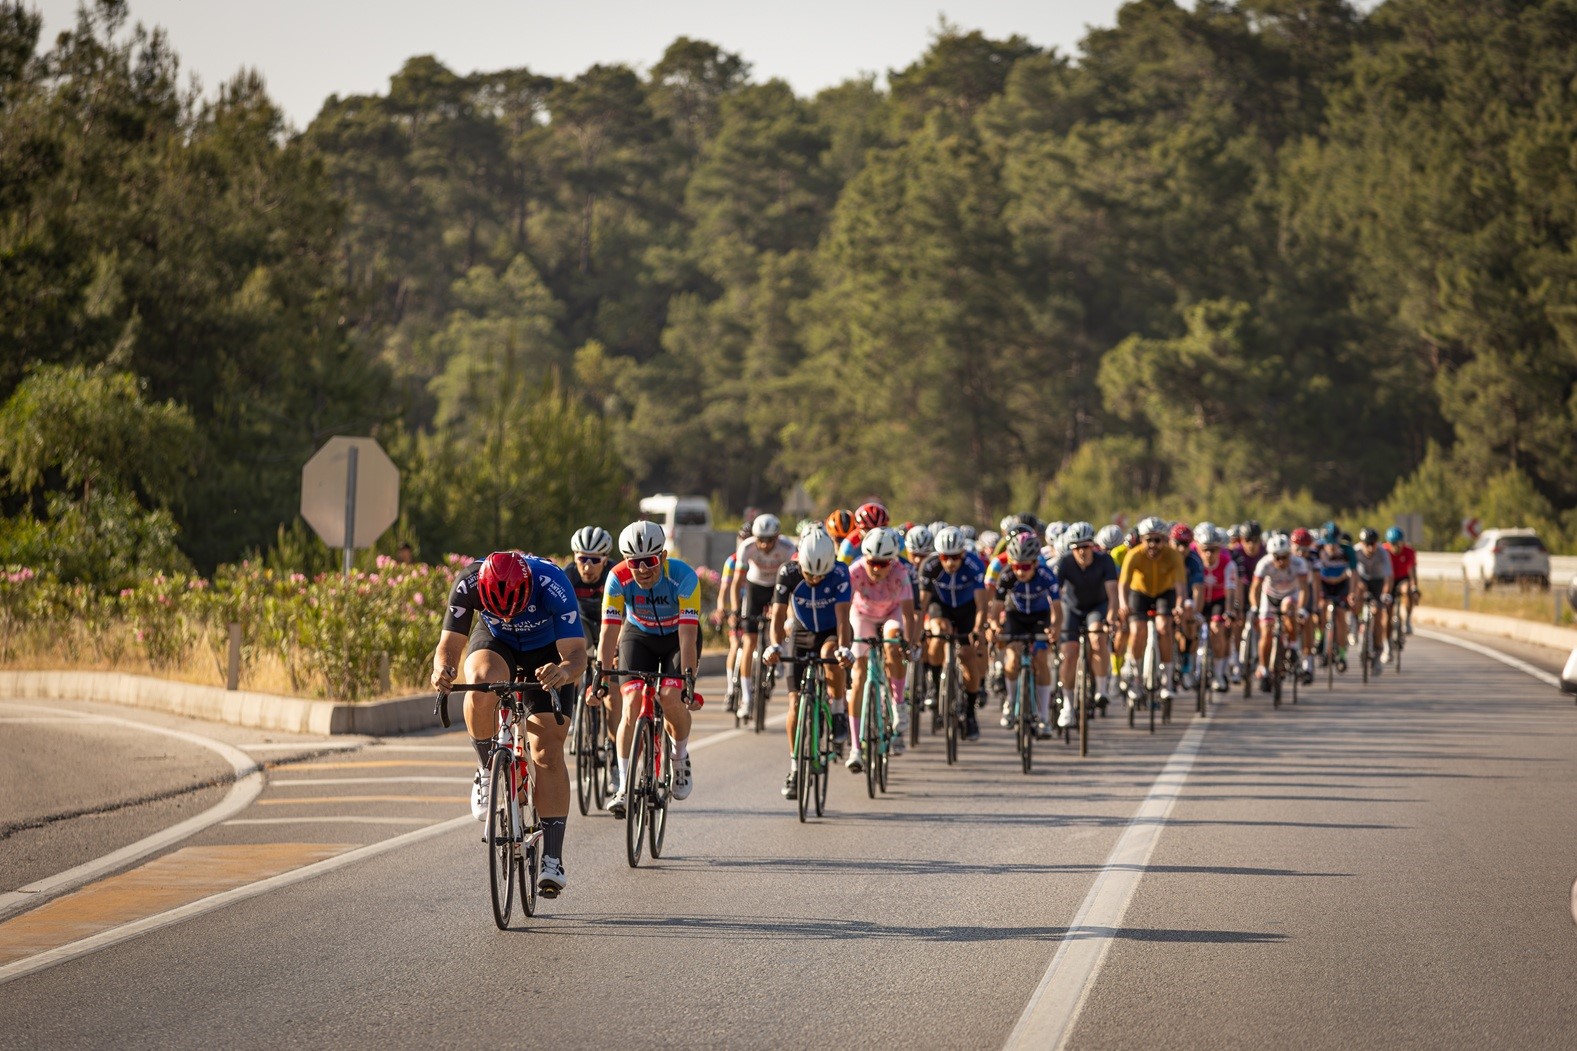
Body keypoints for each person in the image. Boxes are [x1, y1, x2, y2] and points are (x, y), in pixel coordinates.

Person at [432, 551, 586, 898]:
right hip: (496, 643)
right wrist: (442, 670)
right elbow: (448, 645)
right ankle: (486, 769)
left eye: (513, 608)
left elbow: (577, 654)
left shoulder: (553, 583)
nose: (507, 615)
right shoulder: (468, 582)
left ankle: (552, 857)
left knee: (547, 750)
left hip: (547, 651)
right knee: (481, 683)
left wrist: (563, 672)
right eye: (497, 608)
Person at [598, 521, 702, 817]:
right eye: (635, 563)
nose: (643, 570)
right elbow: (609, 632)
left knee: (670, 696)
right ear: (625, 561)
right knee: (630, 702)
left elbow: (688, 637)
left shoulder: (684, 577)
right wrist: (601, 677)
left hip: (677, 637)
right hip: (638, 635)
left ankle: (679, 756)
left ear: (663, 556)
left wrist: (688, 682)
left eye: (650, 561)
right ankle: (623, 785)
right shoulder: (617, 578)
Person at [763, 529, 854, 798]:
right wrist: (775, 645)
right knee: (794, 703)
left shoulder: (840, 572)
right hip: (801, 633)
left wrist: (844, 649)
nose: (814, 580)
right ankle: (794, 768)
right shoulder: (788, 572)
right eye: (809, 574)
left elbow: (843, 617)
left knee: (830, 654)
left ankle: (837, 711)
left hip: (831, 632)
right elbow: (778, 616)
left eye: (820, 575)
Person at [845, 527, 917, 770]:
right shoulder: (855, 571)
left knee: (893, 646)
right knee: (858, 677)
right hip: (862, 615)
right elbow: (843, 609)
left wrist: (909, 643)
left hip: (890, 614)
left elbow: (908, 614)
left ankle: (898, 704)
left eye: (883, 563)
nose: (876, 569)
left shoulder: (900, 573)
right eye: (872, 562)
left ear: (893, 561)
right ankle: (856, 748)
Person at [917, 525, 990, 740]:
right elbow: (922, 604)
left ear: (963, 554)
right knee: (939, 632)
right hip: (941, 605)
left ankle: (970, 714)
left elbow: (982, 605)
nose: (950, 563)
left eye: (956, 557)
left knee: (967, 656)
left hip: (967, 608)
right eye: (945, 557)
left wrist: (977, 630)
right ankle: (934, 683)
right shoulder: (929, 565)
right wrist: (918, 630)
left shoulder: (974, 565)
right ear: (938, 555)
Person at [990, 529, 1062, 736]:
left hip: (1040, 617)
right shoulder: (1006, 576)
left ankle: (1044, 717)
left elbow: (1057, 609)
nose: (1020, 572)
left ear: (1035, 563)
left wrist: (1055, 628)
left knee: (1041, 659)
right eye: (1016, 566)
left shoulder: (1046, 575)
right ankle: (1011, 701)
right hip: (1016, 616)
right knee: (1012, 659)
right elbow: (996, 609)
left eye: (1025, 567)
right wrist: (995, 627)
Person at [728, 514, 798, 722]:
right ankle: (746, 698)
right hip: (755, 587)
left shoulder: (788, 548)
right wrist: (735, 611)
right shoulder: (747, 547)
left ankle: (778, 652)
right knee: (748, 642)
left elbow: (793, 589)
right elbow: (737, 582)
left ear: (777, 537)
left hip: (778, 587)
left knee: (780, 622)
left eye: (770, 540)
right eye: (761, 540)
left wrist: (790, 617)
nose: (765, 545)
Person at [1117, 516, 1187, 707]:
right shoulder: (1134, 555)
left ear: (1165, 540)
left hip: (1165, 592)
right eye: (1149, 540)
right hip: (1139, 592)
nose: (1153, 545)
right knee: (1137, 630)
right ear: (1142, 540)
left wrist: (1179, 605)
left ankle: (1167, 679)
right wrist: (1123, 604)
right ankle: (1136, 678)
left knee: (1164, 627)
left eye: (1158, 540)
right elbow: (1123, 584)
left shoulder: (1173, 555)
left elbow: (1181, 586)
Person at [1054, 522, 1118, 725]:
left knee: (1098, 638)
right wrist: (1054, 622)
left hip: (1097, 607)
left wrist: (1111, 617)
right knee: (1069, 652)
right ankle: (1067, 705)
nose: (1082, 551)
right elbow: (1055, 595)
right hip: (1071, 608)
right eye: (1077, 548)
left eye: (1086, 546)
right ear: (1071, 549)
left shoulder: (1105, 561)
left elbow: (1113, 594)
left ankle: (1101, 689)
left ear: (1093, 546)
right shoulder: (1064, 562)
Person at [567, 526, 616, 786]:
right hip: (583, 624)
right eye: (582, 559)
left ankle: (614, 752)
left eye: (595, 560)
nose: (587, 566)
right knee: (574, 653)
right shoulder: (568, 576)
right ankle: (575, 708)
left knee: (612, 684)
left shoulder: (615, 575)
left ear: (605, 560)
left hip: (613, 623)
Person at [1249, 533, 1310, 691]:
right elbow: (1255, 589)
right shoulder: (1264, 563)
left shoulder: (1299, 563)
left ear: (1290, 554)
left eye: (1285, 557)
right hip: (1270, 597)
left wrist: (1301, 609)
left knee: (1289, 607)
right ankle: (1264, 669)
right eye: (1277, 558)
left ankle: (1293, 645)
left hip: (1290, 595)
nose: (1281, 561)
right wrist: (1255, 607)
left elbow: (1304, 589)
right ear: (1271, 556)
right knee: (1266, 633)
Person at [713, 523, 753, 717]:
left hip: (755, 605)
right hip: (737, 606)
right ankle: (730, 690)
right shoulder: (732, 561)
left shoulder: (760, 559)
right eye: (742, 540)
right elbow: (724, 590)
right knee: (735, 644)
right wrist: (722, 609)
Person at [1195, 524, 1240, 691]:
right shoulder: (1195, 562)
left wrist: (1229, 611)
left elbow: (1230, 591)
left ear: (1219, 549)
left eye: (1213, 550)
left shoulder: (1228, 564)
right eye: (1205, 549)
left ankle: (1219, 674)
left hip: (1218, 601)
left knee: (1217, 629)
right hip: (1198, 599)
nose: (1209, 554)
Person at [1354, 527, 1395, 665]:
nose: (1370, 548)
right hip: (1362, 579)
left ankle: (1378, 647)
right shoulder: (1356, 551)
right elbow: (1351, 573)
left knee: (1378, 612)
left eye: (1373, 544)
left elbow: (1389, 577)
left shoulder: (1383, 552)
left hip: (1378, 581)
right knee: (1357, 594)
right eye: (1367, 544)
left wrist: (1385, 593)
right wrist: (1358, 587)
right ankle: (1355, 623)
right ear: (1361, 543)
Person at [1384, 527, 1418, 636]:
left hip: (1402, 578)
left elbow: (1412, 572)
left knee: (1408, 590)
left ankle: (1407, 620)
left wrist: (1414, 587)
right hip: (1388, 579)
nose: (1396, 547)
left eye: (1398, 544)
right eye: (1393, 544)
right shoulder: (1384, 551)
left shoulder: (1409, 551)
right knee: (1387, 612)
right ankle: (1387, 641)